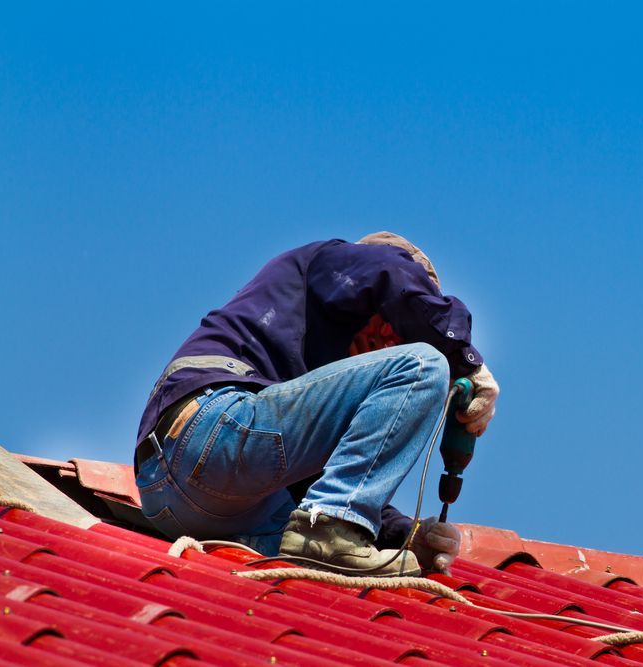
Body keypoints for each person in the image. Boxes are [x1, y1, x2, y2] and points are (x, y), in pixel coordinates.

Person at [133, 232, 499, 576]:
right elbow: (388, 271)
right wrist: (459, 357)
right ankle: (334, 528)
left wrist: (406, 536)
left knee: (316, 551)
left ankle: (335, 531)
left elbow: (328, 486)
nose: (389, 341)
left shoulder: (315, 393)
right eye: (396, 322)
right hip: (209, 431)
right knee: (423, 363)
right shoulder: (331, 263)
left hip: (184, 505)